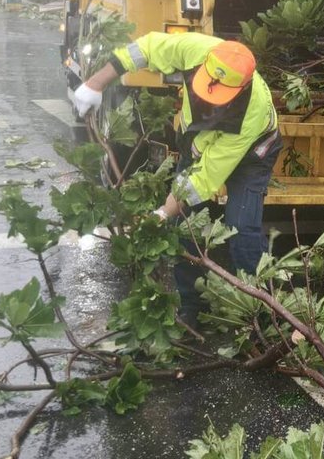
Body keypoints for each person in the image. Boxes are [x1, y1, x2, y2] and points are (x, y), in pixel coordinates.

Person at [73, 32, 282, 323]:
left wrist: (160, 212)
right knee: (184, 227)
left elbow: (203, 179)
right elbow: (143, 49)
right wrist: (95, 83)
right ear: (205, 64)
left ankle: (262, 312)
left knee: (241, 228)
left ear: (241, 88)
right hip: (195, 145)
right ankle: (191, 308)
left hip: (252, 157)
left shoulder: (252, 111)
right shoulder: (196, 50)